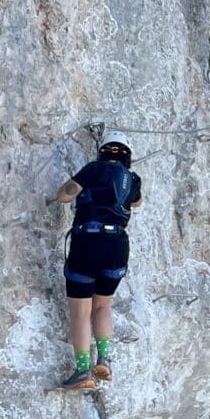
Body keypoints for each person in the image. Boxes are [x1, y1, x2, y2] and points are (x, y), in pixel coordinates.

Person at [52, 134, 142, 391]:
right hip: (117, 246)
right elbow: (137, 202)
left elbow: (64, 196)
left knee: (81, 311)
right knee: (102, 306)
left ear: (103, 152)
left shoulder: (94, 169)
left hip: (87, 241)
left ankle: (82, 371)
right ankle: (104, 359)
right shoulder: (133, 180)